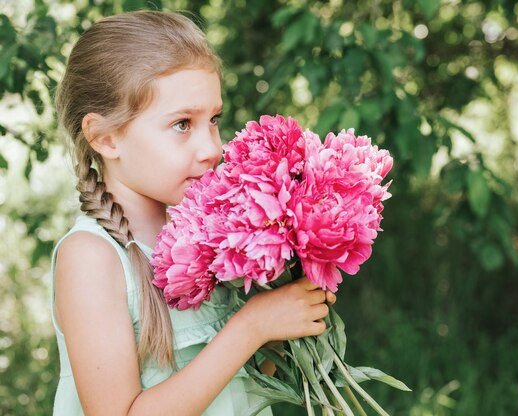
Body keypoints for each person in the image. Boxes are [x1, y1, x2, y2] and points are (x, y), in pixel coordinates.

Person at [51, 10, 335, 415]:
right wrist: (251, 326)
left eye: (213, 120)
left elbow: (241, 391)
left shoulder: (208, 238)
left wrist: (278, 324)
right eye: (183, 124)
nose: (211, 149)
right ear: (105, 137)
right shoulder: (91, 257)